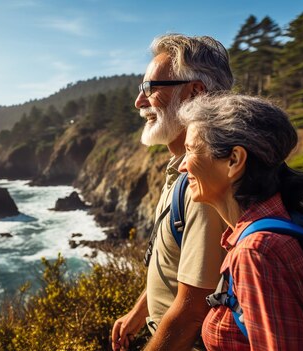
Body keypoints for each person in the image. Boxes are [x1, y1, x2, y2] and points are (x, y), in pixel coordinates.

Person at [177, 94, 303, 350]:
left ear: (234, 160)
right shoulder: (275, 226)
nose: (182, 166)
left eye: (191, 150)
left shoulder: (256, 252)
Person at [111, 34, 232, 351]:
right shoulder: (181, 170)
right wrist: (141, 311)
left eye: (150, 89)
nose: (139, 101)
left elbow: (192, 313)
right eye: (140, 90)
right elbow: (181, 265)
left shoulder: (206, 184)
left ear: (194, 93)